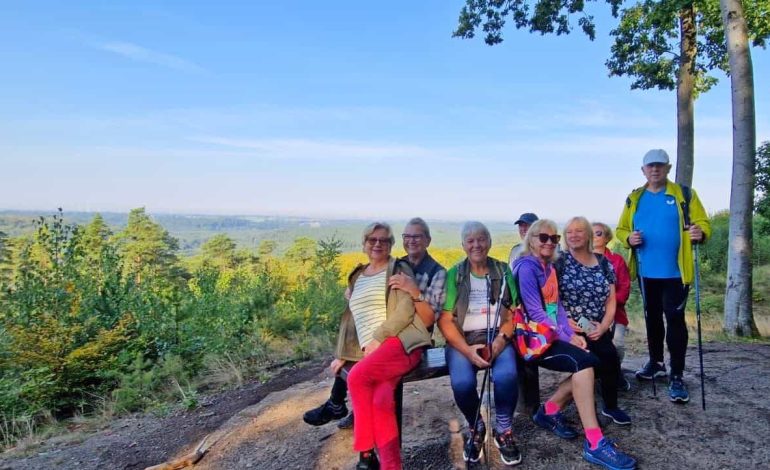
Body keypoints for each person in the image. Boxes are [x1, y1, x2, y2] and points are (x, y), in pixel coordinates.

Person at [511, 219, 635, 470]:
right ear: (530, 240)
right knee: (585, 364)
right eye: (542, 238)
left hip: (551, 334)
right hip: (532, 340)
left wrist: (571, 334)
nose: (548, 242)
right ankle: (595, 442)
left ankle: (550, 409)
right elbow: (536, 312)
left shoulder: (547, 267)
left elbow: (557, 309)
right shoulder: (527, 267)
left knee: (593, 359)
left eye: (553, 238)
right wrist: (568, 336)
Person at [303, 218, 445, 430]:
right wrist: (360, 292)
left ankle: (342, 405)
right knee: (367, 342)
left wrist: (414, 290)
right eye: (407, 236)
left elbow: (428, 319)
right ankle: (344, 404)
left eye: (417, 236)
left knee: (372, 352)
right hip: (393, 330)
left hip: (412, 338)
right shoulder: (397, 265)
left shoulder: (436, 272)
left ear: (428, 240)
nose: (412, 240)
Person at [331, 222, 432, 470]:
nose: (378, 244)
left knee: (355, 379)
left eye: (384, 240)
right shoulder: (357, 276)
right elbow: (352, 320)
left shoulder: (398, 269)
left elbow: (406, 310)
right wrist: (343, 354)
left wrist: (379, 336)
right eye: (372, 240)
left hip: (401, 343)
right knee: (380, 402)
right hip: (374, 352)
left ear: (391, 245)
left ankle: (365, 453)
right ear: (364, 243)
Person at [616, 149, 710, 403]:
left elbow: (703, 223)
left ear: (668, 168)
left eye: (659, 166)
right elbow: (621, 229)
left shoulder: (684, 195)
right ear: (643, 170)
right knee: (653, 320)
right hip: (647, 273)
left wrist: (700, 233)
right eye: (650, 166)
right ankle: (656, 362)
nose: (654, 170)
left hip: (677, 273)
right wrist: (628, 238)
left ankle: (676, 375)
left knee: (675, 319)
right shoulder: (634, 198)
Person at [437, 221, 522, 466]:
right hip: (463, 339)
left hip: (497, 335)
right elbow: (445, 320)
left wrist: (498, 343)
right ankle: (476, 427)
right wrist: (467, 351)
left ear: (489, 242)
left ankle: (504, 430)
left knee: (507, 376)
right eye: (471, 240)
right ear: (463, 245)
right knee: (462, 382)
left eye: (481, 239)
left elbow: (511, 315)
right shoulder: (455, 274)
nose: (477, 245)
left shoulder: (503, 271)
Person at [555, 217, 631, 425]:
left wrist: (605, 325)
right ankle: (561, 403)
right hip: (570, 326)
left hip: (596, 324)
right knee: (590, 363)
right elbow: (550, 297)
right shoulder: (560, 261)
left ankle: (611, 406)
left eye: (579, 231)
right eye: (569, 231)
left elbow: (611, 299)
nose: (573, 235)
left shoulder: (603, 262)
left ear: (588, 235)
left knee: (610, 357)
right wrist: (564, 321)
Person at [592, 222, 632, 391]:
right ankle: (596, 375)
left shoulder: (616, 261)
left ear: (607, 238)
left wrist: (609, 304)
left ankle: (614, 372)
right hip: (589, 316)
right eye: (591, 233)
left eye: (598, 233)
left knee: (617, 345)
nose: (594, 236)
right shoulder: (580, 260)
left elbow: (624, 287)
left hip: (616, 314)